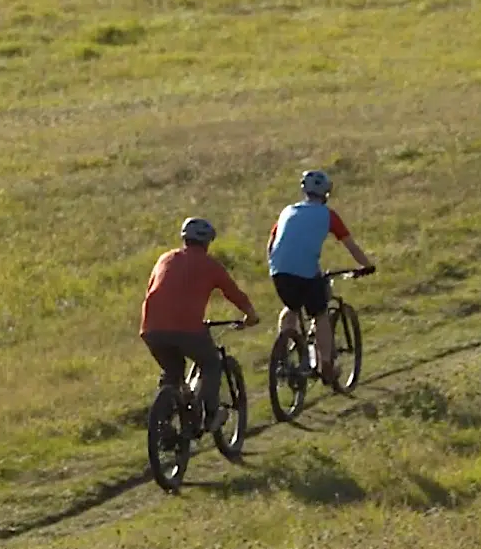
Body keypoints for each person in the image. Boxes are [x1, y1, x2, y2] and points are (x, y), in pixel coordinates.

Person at [140, 217, 260, 432]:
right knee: (212, 363)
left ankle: (164, 422)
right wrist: (250, 315)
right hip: (187, 328)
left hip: (152, 328)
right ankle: (210, 413)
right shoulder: (210, 265)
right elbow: (233, 293)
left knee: (173, 371)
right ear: (207, 243)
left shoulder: (165, 259)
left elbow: (153, 289)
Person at [266, 170, 375, 386]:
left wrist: (278, 265)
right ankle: (326, 365)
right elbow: (350, 245)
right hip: (305, 271)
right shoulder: (328, 215)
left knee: (291, 307)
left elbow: (271, 244)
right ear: (326, 193)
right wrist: (367, 265)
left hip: (278, 269)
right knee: (320, 313)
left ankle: (283, 356)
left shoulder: (287, 211)